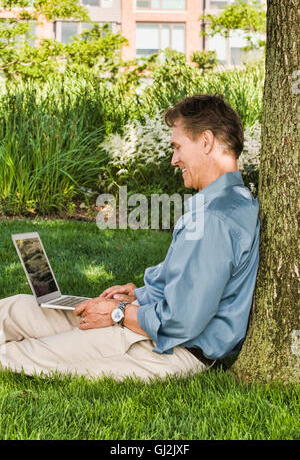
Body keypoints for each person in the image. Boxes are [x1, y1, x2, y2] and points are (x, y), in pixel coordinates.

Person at [0, 94, 260, 382]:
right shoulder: (224, 202)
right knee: (18, 308)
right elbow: (191, 286)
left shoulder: (216, 218)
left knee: (21, 354)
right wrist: (138, 296)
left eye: (177, 147)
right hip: (143, 323)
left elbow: (181, 321)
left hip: (166, 348)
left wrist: (118, 313)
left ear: (207, 142)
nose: (174, 160)